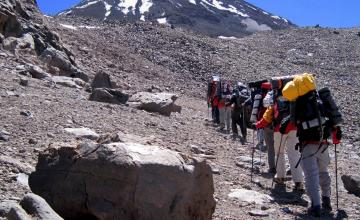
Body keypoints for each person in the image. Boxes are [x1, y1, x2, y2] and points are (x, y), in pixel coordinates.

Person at [282, 73, 343, 217]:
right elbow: (333, 120)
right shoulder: (320, 100)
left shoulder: (298, 103)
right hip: (323, 143)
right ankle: (326, 200)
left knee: (311, 175)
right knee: (323, 172)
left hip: (307, 145)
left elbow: (291, 122)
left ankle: (315, 206)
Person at [256, 89, 304, 191]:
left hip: (279, 130)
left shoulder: (275, 98)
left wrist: (258, 125)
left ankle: (280, 177)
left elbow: (267, 117)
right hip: (294, 129)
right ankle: (299, 182)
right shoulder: (294, 97)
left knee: (279, 153)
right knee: (294, 154)